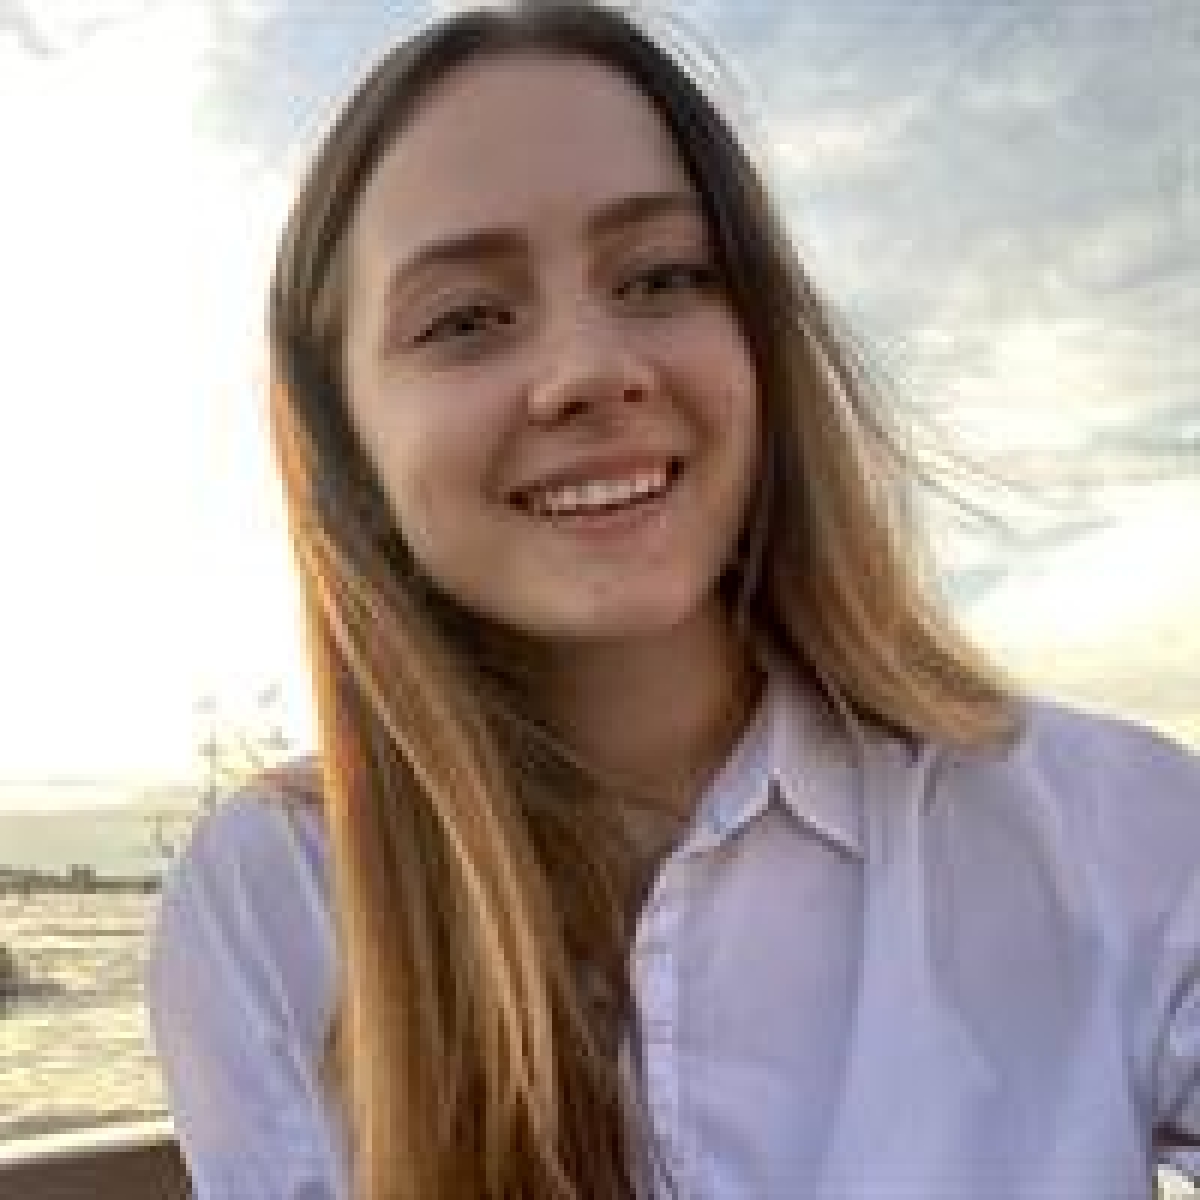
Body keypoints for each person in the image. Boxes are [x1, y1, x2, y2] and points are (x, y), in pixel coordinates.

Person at [144, 3, 1200, 1197]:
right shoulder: (267, 899)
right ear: (349, 441)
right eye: (468, 318)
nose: (592, 371)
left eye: (661, 276)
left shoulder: (1109, 831)